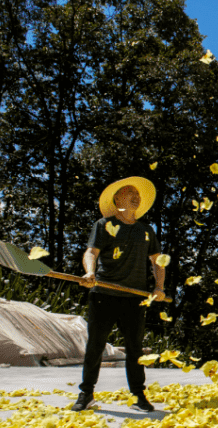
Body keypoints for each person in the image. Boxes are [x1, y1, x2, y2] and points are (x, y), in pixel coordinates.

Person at [71, 177, 166, 413]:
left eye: (137, 192)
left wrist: (160, 287)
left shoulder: (146, 230)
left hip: (134, 298)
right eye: (129, 191)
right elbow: (90, 252)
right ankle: (86, 394)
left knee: (135, 348)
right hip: (104, 293)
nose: (136, 195)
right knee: (95, 345)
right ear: (117, 199)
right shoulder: (103, 225)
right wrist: (90, 272)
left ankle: (139, 395)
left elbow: (158, 261)